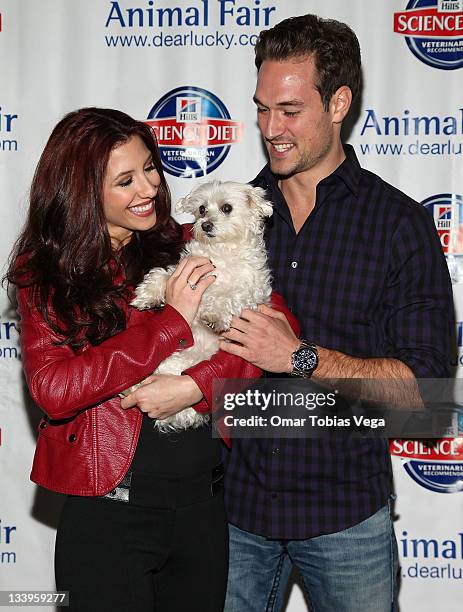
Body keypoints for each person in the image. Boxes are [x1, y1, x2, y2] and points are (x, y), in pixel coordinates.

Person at [6, 107, 296, 612]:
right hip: (110, 513)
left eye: (149, 168)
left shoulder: (183, 241)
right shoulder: (46, 273)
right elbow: (55, 391)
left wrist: (197, 384)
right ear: (83, 191)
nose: (148, 188)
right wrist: (171, 325)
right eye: (125, 180)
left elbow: (279, 332)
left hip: (204, 507)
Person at [217, 14, 454, 612]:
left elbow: (426, 398)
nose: (272, 128)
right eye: (262, 108)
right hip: (233, 513)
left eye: (290, 110)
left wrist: (299, 357)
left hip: (344, 515)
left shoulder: (397, 225)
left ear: (339, 102)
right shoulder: (231, 219)